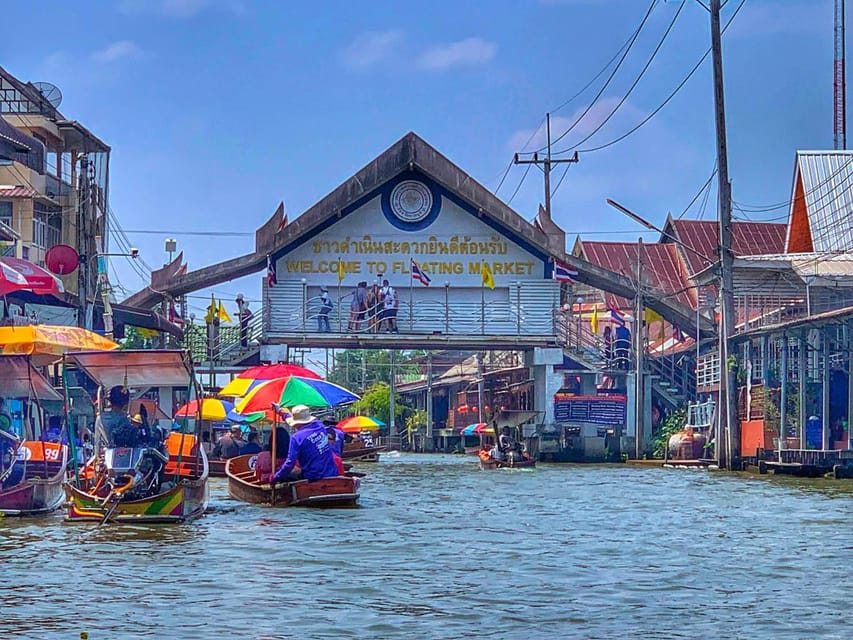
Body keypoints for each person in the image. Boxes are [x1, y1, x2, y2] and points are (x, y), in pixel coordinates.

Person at [268, 405, 340, 484]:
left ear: (297, 423)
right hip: (332, 473)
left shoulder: (296, 438)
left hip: (313, 477)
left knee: (285, 476)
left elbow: (289, 463)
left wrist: (275, 477)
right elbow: (289, 418)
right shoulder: (320, 426)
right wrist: (280, 411)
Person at [94, 385, 136, 450]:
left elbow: (97, 443)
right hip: (121, 456)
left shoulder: (100, 418)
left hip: (105, 456)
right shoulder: (124, 419)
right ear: (126, 404)